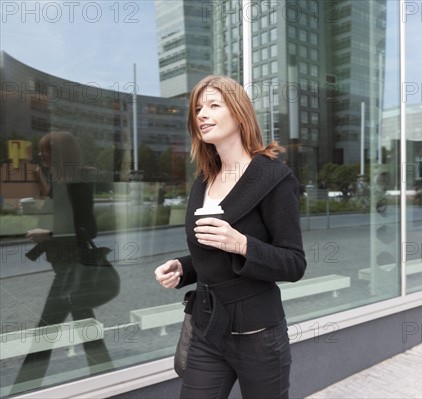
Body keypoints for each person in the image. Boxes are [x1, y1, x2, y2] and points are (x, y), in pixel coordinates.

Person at [154, 75, 306, 399]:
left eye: (213, 105)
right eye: (197, 109)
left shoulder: (274, 177)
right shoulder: (204, 179)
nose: (202, 115)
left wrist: (242, 243)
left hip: (259, 335)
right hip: (208, 329)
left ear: (238, 113)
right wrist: (184, 268)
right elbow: (214, 251)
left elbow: (294, 263)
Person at [12, 131, 118, 393]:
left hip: (73, 269)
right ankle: (106, 377)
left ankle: (22, 390)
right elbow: (59, 216)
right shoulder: (61, 179)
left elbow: (87, 230)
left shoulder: (78, 181)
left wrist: (46, 234)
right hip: (64, 266)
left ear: (59, 154)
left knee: (44, 333)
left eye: (45, 152)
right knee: (86, 327)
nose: (41, 156)